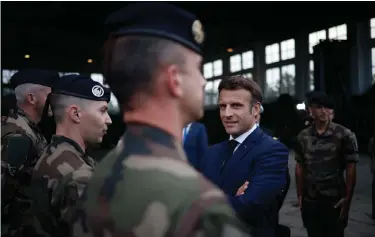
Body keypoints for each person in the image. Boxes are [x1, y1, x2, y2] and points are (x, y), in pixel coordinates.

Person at [74, 3, 253, 237]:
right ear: (174, 79)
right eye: (198, 69)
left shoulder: (97, 177)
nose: (203, 81)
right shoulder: (202, 209)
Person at [201, 75, 289, 237]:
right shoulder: (212, 152)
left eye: (236, 106)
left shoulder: (273, 151)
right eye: (222, 106)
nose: (226, 114)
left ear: (255, 110)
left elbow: (250, 207)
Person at [29, 74, 112, 237]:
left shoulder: (53, 152)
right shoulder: (78, 176)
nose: (108, 120)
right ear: (75, 114)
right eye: (102, 111)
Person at [1, 69, 60, 237]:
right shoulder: (18, 136)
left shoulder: (30, 130)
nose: (55, 100)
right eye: (51, 94)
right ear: (31, 98)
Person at [295, 91, 358, 237]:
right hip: (310, 199)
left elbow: (351, 168)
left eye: (327, 107)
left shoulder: (344, 135)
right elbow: (300, 167)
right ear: (310, 110)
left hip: (335, 200)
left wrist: (347, 199)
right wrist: (300, 195)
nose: (324, 111)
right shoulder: (303, 136)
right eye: (319, 107)